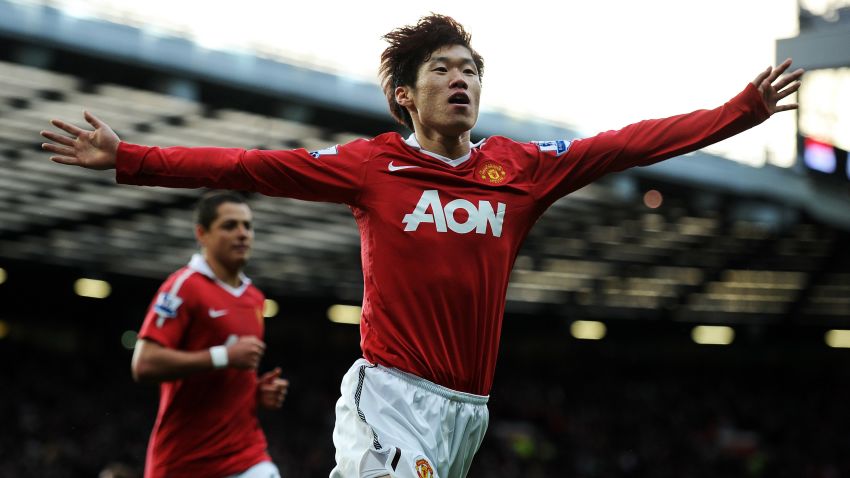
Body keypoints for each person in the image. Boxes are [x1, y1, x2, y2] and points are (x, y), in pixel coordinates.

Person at [41, 14, 803, 478]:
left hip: (468, 409)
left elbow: (630, 144)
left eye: (470, 68)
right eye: (442, 68)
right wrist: (129, 157)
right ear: (406, 93)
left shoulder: (521, 171)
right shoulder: (373, 166)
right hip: (391, 394)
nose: (461, 78)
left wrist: (740, 111)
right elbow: (251, 166)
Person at [128, 191, 289, 478]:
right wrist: (223, 356)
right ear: (202, 234)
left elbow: (232, 375)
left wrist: (256, 394)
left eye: (247, 226)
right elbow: (144, 364)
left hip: (247, 455)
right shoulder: (184, 286)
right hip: (185, 462)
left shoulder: (254, 298)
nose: (242, 234)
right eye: (230, 226)